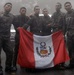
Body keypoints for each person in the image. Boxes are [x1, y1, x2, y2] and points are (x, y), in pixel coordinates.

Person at [12, 5, 47, 71]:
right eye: (36, 9)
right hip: (31, 37)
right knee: (17, 50)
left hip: (39, 37)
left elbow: (45, 27)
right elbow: (27, 25)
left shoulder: (41, 19)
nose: (38, 10)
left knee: (38, 51)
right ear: (34, 11)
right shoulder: (31, 18)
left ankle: (38, 64)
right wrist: (21, 29)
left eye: (38, 9)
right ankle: (14, 65)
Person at [0, 2, 15, 75]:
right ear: (4, 7)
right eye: (8, 6)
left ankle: (8, 66)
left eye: (10, 6)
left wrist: (29, 17)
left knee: (10, 52)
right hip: (0, 36)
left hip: (7, 37)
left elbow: (17, 22)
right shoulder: (0, 15)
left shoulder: (12, 16)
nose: (9, 7)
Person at [64, 2, 74, 69]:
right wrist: (63, 33)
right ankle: (72, 63)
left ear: (71, 6)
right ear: (65, 8)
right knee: (70, 49)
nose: (67, 7)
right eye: (66, 6)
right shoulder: (65, 15)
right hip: (69, 34)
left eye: (68, 5)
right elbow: (64, 25)